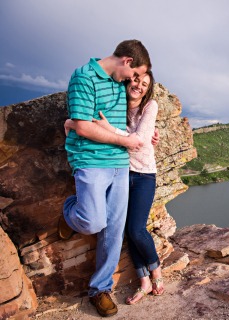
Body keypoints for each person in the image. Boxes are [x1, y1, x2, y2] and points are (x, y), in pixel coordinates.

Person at [59, 39, 151, 317]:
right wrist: (123, 141)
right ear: (126, 61)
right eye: (135, 74)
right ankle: (69, 211)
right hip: (90, 161)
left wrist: (146, 135)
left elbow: (130, 114)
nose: (134, 81)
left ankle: (100, 289)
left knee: (113, 229)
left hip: (120, 165)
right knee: (92, 221)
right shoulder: (83, 77)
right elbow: (84, 127)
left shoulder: (118, 83)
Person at [66, 70, 164, 305]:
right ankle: (144, 282)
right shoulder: (117, 102)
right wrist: (72, 122)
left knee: (137, 229)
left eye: (145, 83)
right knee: (124, 230)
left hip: (143, 175)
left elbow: (138, 141)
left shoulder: (150, 106)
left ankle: (157, 273)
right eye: (136, 79)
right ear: (129, 79)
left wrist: (109, 129)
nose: (139, 85)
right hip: (120, 173)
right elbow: (87, 124)